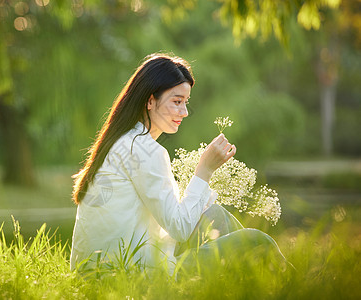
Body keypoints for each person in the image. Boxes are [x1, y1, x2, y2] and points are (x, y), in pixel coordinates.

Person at [70, 53, 286, 274]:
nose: (184, 112)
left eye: (185, 102)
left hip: (99, 271)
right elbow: (180, 229)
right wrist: (205, 169)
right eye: (176, 102)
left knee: (216, 215)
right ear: (150, 100)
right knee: (258, 242)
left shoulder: (124, 141)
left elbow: (172, 221)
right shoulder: (145, 150)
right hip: (132, 276)